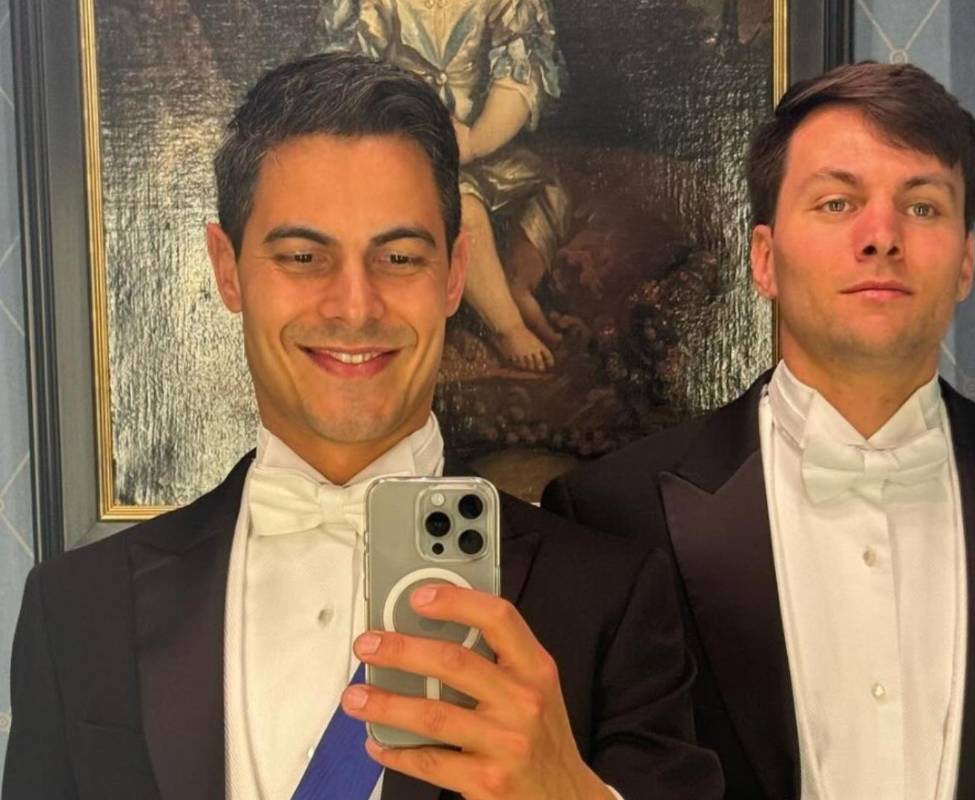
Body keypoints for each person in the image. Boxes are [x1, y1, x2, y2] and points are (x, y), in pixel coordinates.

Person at [3, 53, 720, 800]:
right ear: (227, 268)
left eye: (399, 257)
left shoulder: (610, 599)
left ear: (455, 273)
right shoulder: (76, 610)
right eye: (303, 256)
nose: (355, 305)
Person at [542, 61, 975, 799]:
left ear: (966, 262)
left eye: (922, 207)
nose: (882, 235)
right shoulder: (611, 516)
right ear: (765, 259)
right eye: (836, 202)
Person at [321, 0, 572, 372]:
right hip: (399, 146)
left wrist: (478, 140)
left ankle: (517, 284)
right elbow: (351, 81)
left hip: (476, 142)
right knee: (462, 210)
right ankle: (507, 326)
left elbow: (522, 71)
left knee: (548, 192)